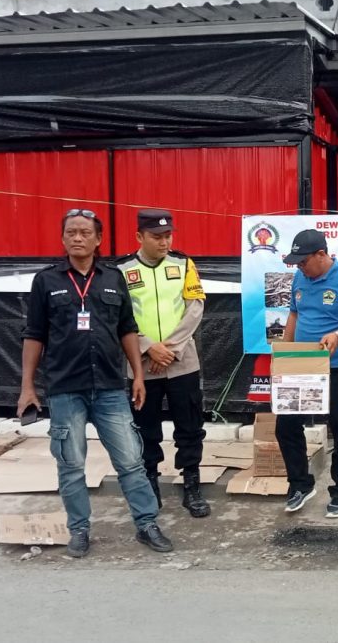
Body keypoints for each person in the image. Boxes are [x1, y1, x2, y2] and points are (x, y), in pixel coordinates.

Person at [18, 209, 173, 558]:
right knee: (71, 465)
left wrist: (138, 375)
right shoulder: (46, 281)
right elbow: (34, 335)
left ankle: (147, 524)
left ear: (98, 239)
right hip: (64, 388)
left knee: (131, 460)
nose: (77, 238)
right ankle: (79, 530)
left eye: (85, 233)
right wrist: (28, 386)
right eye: (71, 232)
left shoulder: (114, 278)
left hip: (109, 387)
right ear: (62, 239)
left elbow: (127, 329)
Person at [116, 209, 209, 518]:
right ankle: (150, 483)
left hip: (182, 361)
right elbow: (119, 316)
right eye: (156, 237)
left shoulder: (184, 264)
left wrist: (169, 349)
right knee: (145, 426)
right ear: (139, 237)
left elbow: (195, 308)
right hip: (141, 365)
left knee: (190, 424)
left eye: (168, 236)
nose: (164, 242)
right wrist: (147, 348)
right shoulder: (122, 271)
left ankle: (192, 485)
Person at [277, 229, 338, 517]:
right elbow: (294, 314)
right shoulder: (299, 278)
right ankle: (300, 484)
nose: (299, 267)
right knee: (286, 426)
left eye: (303, 261)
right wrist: (284, 353)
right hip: (302, 366)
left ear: (321, 255)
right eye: (296, 263)